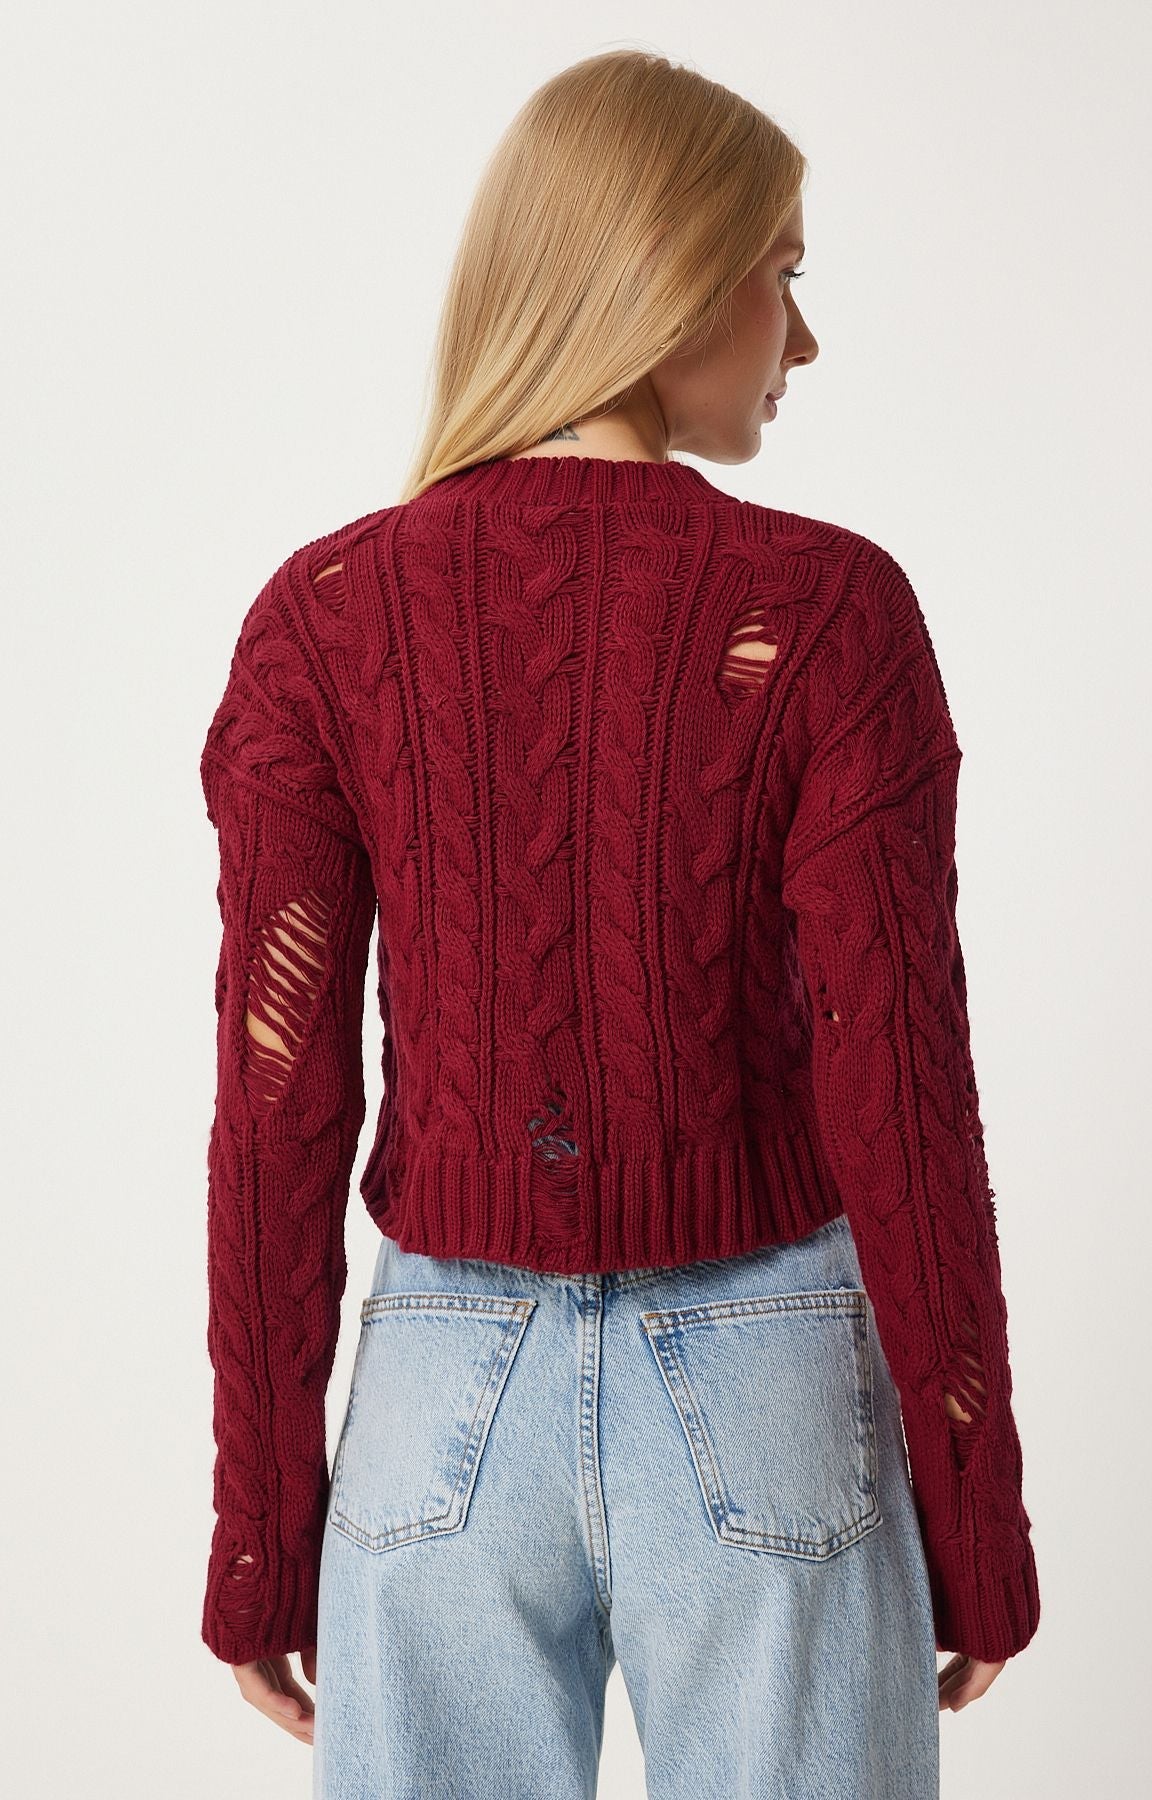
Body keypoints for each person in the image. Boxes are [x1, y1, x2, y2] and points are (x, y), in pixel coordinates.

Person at [197, 47, 1040, 1797]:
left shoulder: (325, 617)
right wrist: (974, 1513)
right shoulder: (828, 612)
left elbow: (277, 1104)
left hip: (439, 1406)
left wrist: (266, 1528)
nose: (805, 338)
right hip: (771, 1381)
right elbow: (903, 1092)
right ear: (670, 279)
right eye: (782, 273)